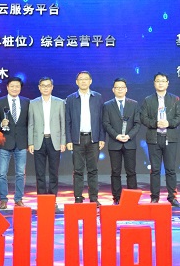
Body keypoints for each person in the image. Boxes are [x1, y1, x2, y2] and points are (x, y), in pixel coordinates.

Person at [140, 73, 180, 208]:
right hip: (154, 138)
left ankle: (172, 197)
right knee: (155, 170)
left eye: (163, 81)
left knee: (170, 169)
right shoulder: (148, 100)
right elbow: (143, 118)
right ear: (154, 83)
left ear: (167, 83)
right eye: (158, 81)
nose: (160, 83)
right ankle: (154, 197)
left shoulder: (175, 99)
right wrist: (156, 123)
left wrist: (169, 123)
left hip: (170, 138)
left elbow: (179, 117)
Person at [65, 70, 105, 204]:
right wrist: (69, 139)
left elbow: (102, 119)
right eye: (81, 79)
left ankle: (94, 198)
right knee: (78, 170)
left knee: (93, 170)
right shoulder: (71, 98)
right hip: (77, 139)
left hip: (93, 139)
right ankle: (78, 197)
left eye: (86, 79)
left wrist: (102, 138)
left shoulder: (97, 97)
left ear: (90, 81)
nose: (83, 81)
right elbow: (67, 120)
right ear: (77, 82)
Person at [28, 76, 66, 212]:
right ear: (39, 87)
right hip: (39, 141)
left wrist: (63, 141)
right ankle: (42, 200)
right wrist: (30, 142)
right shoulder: (33, 103)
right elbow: (30, 124)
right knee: (40, 173)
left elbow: (63, 123)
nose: (45, 88)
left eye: (48, 85)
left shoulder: (60, 102)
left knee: (53, 172)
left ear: (52, 87)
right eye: (43, 85)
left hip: (54, 141)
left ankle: (52, 199)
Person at [101, 78, 141, 205]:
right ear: (113, 90)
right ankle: (117, 198)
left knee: (131, 171)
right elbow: (106, 124)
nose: (120, 90)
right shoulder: (107, 105)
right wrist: (116, 135)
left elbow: (137, 123)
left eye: (122, 87)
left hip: (130, 143)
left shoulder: (134, 104)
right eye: (117, 87)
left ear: (126, 89)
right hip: (115, 143)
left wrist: (129, 136)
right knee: (115, 172)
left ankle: (132, 199)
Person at [0, 76, 30, 209]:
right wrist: (1, 124)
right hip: (4, 142)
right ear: (7, 87)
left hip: (21, 142)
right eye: (12, 86)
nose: (15, 88)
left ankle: (18, 199)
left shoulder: (27, 102)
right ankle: (3, 199)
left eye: (17, 86)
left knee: (20, 173)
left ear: (20, 88)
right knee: (2, 173)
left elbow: (29, 122)